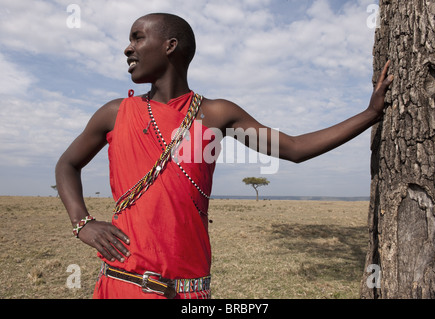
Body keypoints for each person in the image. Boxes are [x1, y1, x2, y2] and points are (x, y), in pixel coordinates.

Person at [55, 13, 393, 299]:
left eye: (137, 38)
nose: (128, 48)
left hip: (190, 288)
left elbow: (294, 148)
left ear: (170, 46)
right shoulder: (115, 113)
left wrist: (369, 115)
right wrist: (82, 222)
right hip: (121, 282)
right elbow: (67, 165)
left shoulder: (216, 114)